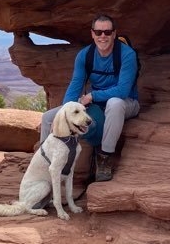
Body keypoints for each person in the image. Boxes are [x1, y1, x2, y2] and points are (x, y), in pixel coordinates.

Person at [40, 14, 140, 182]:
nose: (103, 36)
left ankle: (105, 157)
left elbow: (122, 91)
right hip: (95, 103)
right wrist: (66, 110)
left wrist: (93, 96)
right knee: (48, 117)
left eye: (107, 32)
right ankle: (43, 162)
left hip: (126, 102)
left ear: (114, 34)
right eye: (98, 32)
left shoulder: (126, 54)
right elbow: (75, 84)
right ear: (92, 34)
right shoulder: (85, 55)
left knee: (114, 103)